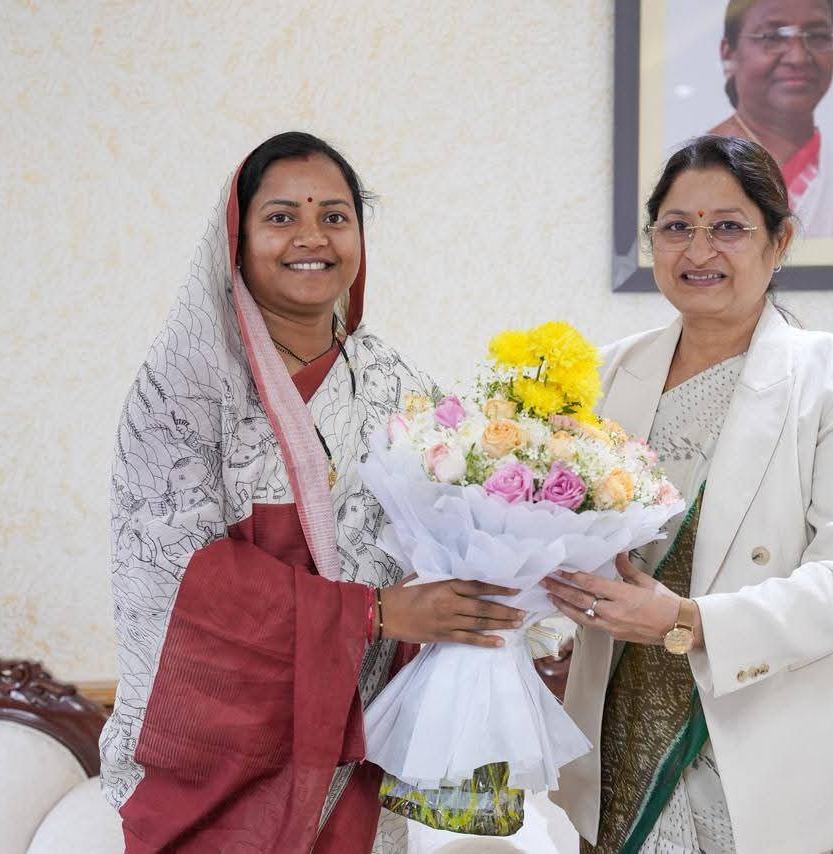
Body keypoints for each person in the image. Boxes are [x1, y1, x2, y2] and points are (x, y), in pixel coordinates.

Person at [99, 131, 524, 853]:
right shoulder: (182, 386)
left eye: (334, 216)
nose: (311, 238)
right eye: (280, 217)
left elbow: (455, 531)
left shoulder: (395, 384)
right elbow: (173, 575)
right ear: (235, 241)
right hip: (219, 748)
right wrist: (373, 612)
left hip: (354, 741)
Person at [544, 135, 833, 853]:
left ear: (778, 241)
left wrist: (686, 621)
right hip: (629, 747)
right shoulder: (603, 378)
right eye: (676, 227)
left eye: (727, 226)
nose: (699, 251)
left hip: (787, 751)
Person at [708, 0, 833, 238]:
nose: (798, 57)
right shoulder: (690, 172)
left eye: (817, 36)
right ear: (729, 54)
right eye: (773, 37)